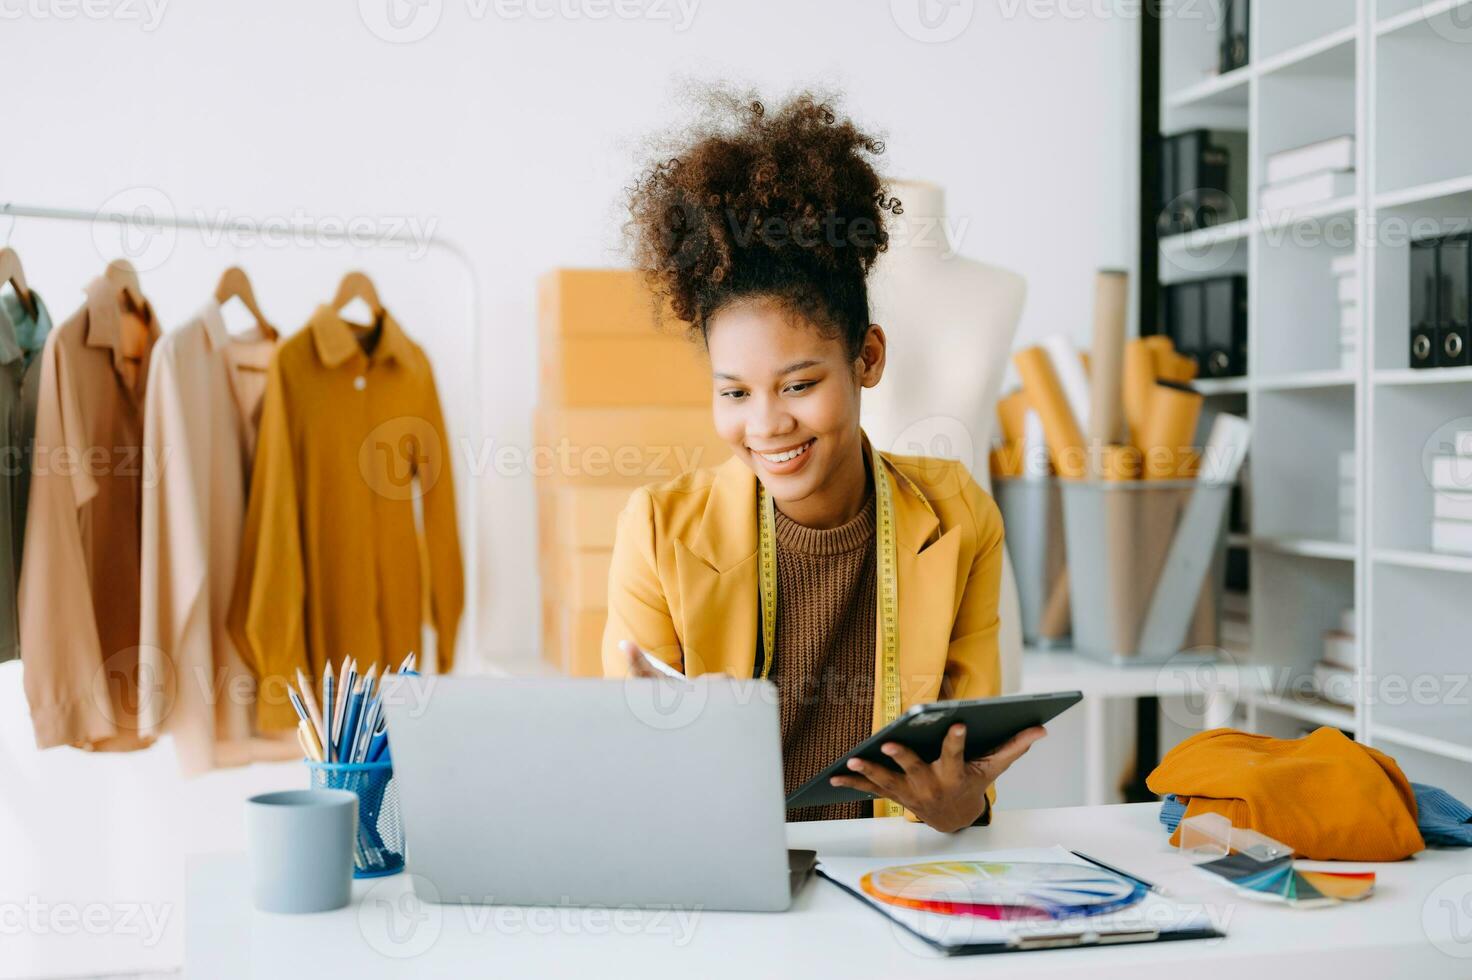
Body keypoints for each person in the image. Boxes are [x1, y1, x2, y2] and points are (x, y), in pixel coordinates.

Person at [605, 89, 1043, 832]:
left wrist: (963, 803)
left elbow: (968, 779)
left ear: (866, 359)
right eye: (735, 392)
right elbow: (627, 779)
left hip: (893, 879)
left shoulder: (957, 513)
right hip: (735, 882)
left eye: (800, 384)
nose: (767, 423)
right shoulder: (658, 531)